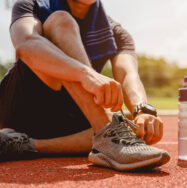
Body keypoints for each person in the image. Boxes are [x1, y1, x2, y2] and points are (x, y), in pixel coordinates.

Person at [0, 0, 170, 171]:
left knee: (134, 124)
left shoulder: (115, 32)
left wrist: (142, 110)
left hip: (73, 115)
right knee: (60, 20)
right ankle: (106, 132)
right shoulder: (32, 4)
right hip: (25, 105)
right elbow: (25, 43)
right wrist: (85, 74)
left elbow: (128, 74)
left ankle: (24, 144)